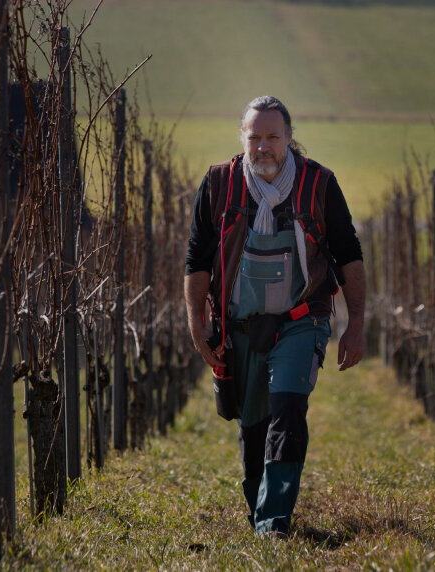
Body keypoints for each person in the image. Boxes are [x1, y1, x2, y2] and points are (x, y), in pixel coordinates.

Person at [184, 95, 366, 538]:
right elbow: (197, 258)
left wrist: (355, 324)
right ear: (243, 140)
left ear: (289, 138)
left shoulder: (319, 184)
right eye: (255, 138)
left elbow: (348, 255)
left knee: (287, 409)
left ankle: (274, 521)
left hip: (302, 320)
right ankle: (259, 508)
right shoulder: (218, 184)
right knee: (252, 425)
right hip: (238, 326)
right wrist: (196, 323)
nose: (263, 146)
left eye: (272, 137)